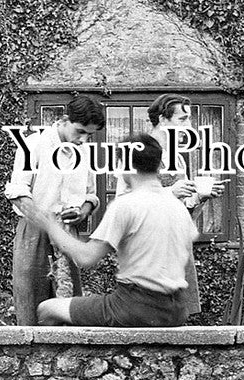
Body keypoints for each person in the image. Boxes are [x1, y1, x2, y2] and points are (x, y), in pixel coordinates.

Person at [24, 134, 198, 327]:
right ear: (159, 166)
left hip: (135, 307)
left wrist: (51, 226)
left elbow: (86, 258)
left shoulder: (126, 204)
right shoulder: (178, 206)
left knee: (47, 309)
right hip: (177, 310)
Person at [114, 94, 227, 318]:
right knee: (147, 314)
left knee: (175, 315)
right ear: (163, 120)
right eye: (182, 119)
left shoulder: (177, 158)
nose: (189, 126)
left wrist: (199, 197)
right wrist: (170, 192)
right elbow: (122, 202)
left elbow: (182, 210)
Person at [6, 95, 104, 325]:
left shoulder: (84, 151)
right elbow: (18, 193)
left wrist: (82, 211)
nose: (83, 138)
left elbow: (91, 195)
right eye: (79, 131)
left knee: (68, 307)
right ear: (65, 120)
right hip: (34, 232)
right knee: (31, 303)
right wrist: (47, 222)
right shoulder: (33, 145)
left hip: (67, 233)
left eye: (88, 134)